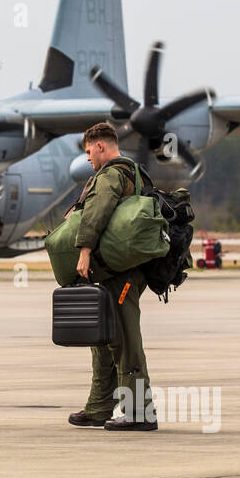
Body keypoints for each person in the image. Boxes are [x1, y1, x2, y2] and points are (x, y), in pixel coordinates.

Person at [65, 122, 157, 432]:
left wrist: (85, 248)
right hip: (121, 269)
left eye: (89, 152)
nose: (88, 158)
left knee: (124, 338)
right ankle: (99, 407)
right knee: (102, 338)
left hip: (122, 274)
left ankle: (139, 413)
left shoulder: (111, 175)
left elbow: (98, 211)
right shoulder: (136, 172)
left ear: (101, 147)